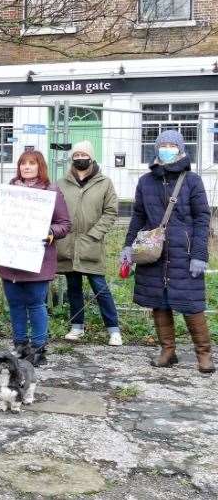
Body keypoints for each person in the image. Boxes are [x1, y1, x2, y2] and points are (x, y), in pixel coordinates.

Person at [123, 130, 213, 374]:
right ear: (156, 149)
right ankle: (168, 351)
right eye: (163, 145)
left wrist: (199, 254)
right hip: (154, 253)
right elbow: (138, 216)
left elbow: (203, 217)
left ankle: (204, 354)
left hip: (183, 253)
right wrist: (128, 245)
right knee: (159, 303)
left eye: (172, 145)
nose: (167, 148)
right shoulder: (145, 181)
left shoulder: (192, 180)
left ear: (181, 149)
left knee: (192, 304)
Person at [0, 150, 71, 366]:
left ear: (40, 167)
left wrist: (50, 233)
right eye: (23, 164)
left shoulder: (51, 191)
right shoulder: (9, 191)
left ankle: (38, 348)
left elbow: (65, 224)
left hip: (37, 260)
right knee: (15, 305)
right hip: (10, 259)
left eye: (31, 163)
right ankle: (20, 345)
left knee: (36, 305)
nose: (26, 167)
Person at [56, 140, 122, 346]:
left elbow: (110, 211)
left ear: (91, 157)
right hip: (67, 244)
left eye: (84, 155)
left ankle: (113, 329)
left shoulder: (104, 183)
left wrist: (95, 233)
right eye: (76, 155)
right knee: (73, 286)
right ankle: (77, 326)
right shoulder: (61, 183)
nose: (80, 158)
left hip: (91, 243)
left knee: (100, 288)